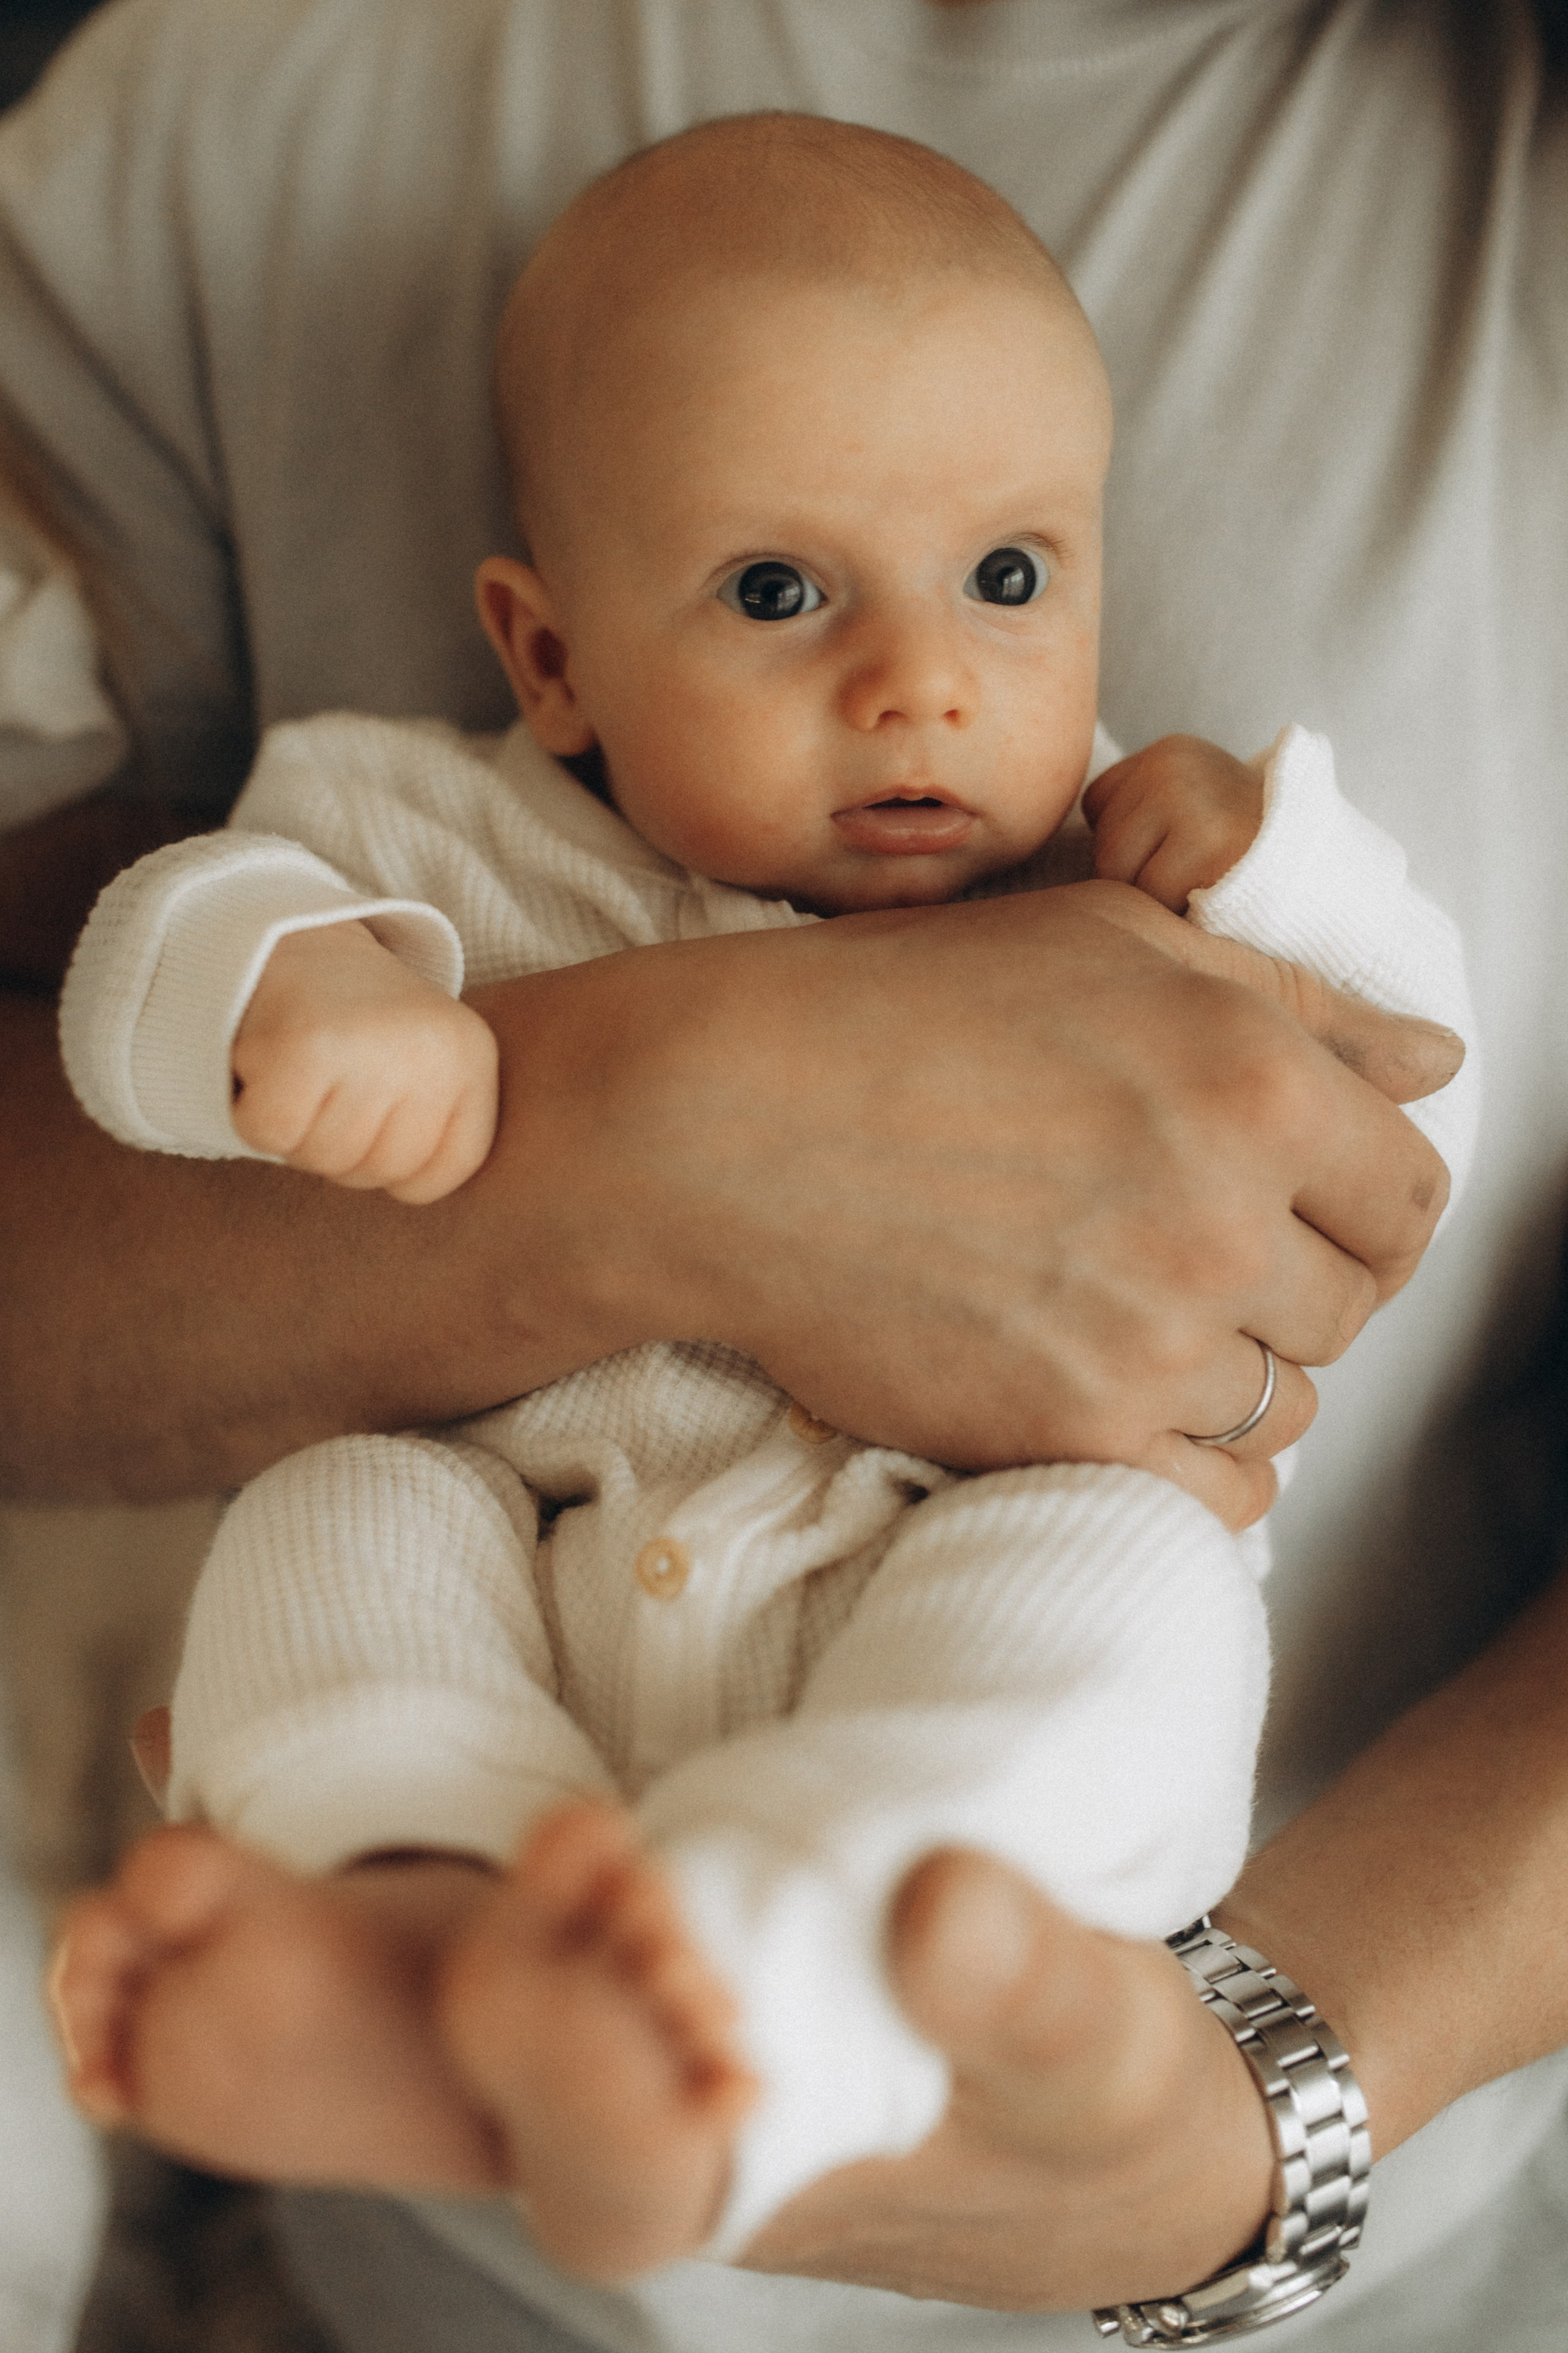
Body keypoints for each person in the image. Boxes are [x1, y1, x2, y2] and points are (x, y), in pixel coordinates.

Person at [2, 2, 1567, 2349]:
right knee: (340, 1535)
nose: (924, 687)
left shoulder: (1130, 861)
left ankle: (773, 1963)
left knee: (1124, 1593)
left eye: (1012, 585)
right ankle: (402, 1912)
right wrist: (291, 990)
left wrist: (1286, 864)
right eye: (776, 595)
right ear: (548, 656)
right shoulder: (441, 834)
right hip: (523, 1618)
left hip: (984, 1634)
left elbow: (1388, 1061)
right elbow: (158, 952)